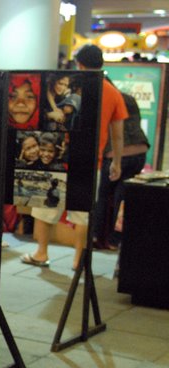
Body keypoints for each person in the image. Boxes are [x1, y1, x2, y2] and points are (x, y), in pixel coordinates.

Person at [21, 44, 127, 271]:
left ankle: (41, 253)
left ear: (80, 64)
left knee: (46, 205)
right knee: (82, 214)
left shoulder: (71, 88)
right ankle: (79, 260)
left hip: (58, 155)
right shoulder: (113, 93)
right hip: (90, 161)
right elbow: (118, 135)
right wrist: (117, 162)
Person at [93, 90, 149, 249]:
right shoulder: (128, 98)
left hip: (115, 153)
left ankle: (95, 236)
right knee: (122, 197)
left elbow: (116, 134)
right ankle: (115, 240)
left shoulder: (105, 98)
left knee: (102, 195)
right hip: (139, 150)